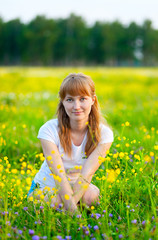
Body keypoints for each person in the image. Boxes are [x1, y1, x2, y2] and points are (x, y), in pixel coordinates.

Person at [27, 73, 114, 215]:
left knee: (92, 196)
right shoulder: (48, 130)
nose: (76, 106)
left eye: (82, 99)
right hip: (47, 187)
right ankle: (69, 208)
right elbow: (58, 175)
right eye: (70, 100)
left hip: (77, 186)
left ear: (93, 100)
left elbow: (87, 174)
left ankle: (67, 208)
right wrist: (74, 212)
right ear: (62, 102)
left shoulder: (104, 134)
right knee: (55, 201)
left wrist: (70, 206)